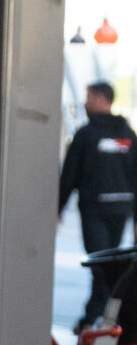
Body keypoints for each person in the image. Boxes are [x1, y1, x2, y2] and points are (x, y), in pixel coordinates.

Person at [60, 82, 137, 330]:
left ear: (102, 98)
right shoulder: (127, 134)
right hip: (118, 209)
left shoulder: (88, 134)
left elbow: (69, 174)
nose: (85, 102)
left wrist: (57, 207)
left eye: (89, 97)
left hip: (97, 210)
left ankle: (99, 318)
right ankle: (99, 318)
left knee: (102, 268)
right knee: (105, 268)